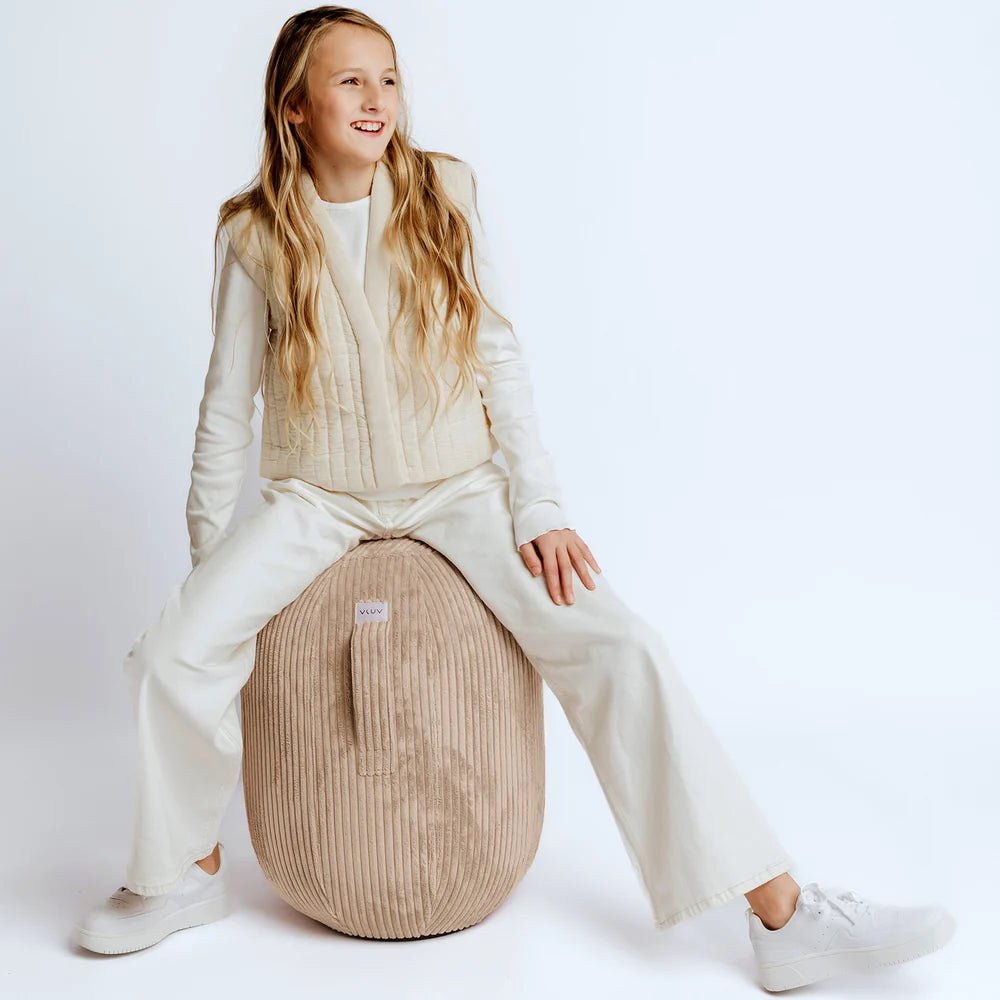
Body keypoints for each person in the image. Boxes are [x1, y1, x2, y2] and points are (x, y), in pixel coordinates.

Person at [74, 5, 955, 990]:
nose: (377, 98)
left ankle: (782, 914)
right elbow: (224, 407)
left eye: (389, 78)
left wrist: (538, 506)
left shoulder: (442, 191)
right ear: (294, 106)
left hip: (459, 487)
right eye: (350, 80)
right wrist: (212, 567)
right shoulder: (252, 233)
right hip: (317, 497)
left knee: (619, 644)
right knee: (170, 654)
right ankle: (186, 872)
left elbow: (498, 354)